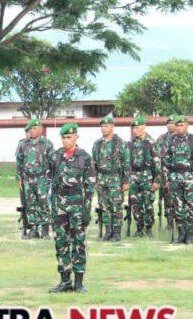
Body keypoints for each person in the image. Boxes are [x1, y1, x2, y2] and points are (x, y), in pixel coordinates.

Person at [48, 123, 95, 294]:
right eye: (63, 137)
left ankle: (79, 282)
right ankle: (65, 281)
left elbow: (90, 186)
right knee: (61, 242)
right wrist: (51, 205)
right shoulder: (55, 156)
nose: (66, 140)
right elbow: (49, 181)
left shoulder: (85, 157)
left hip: (77, 205)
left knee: (78, 242)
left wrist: (86, 210)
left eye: (69, 137)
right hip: (59, 204)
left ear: (76, 137)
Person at [162, 116, 193, 244]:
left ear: (187, 126)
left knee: (191, 206)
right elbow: (165, 160)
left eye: (181, 125)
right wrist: (166, 178)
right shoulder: (171, 140)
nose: (179, 128)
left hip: (189, 177)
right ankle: (181, 233)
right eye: (177, 126)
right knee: (177, 206)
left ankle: (190, 234)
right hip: (174, 177)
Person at [91, 115, 130, 242]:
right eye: (102, 126)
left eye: (106, 126)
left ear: (112, 127)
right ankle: (108, 231)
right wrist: (95, 180)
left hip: (115, 178)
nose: (103, 128)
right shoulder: (97, 144)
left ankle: (117, 232)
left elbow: (126, 162)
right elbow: (94, 163)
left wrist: (126, 181)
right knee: (104, 206)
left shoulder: (120, 142)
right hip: (101, 178)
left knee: (116, 206)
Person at [16, 118, 55, 239]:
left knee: (43, 204)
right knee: (30, 204)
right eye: (30, 129)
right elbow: (19, 161)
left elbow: (53, 162)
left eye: (34, 128)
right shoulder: (23, 144)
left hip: (42, 179)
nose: (31, 131)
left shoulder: (47, 143)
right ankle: (33, 229)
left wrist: (52, 179)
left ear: (40, 129)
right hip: (27, 179)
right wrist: (19, 177)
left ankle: (45, 231)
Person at [127, 116, 161, 236]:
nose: (135, 130)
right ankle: (139, 228)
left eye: (137, 127)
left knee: (148, 203)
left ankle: (149, 228)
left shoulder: (151, 142)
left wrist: (157, 181)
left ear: (144, 127)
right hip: (134, 176)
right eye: (134, 128)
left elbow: (157, 162)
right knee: (135, 203)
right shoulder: (130, 143)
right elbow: (127, 161)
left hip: (147, 176)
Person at [156, 115, 177, 228]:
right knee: (166, 198)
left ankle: (179, 220)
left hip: (176, 173)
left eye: (172, 123)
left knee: (177, 198)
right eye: (168, 123)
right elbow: (156, 155)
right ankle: (169, 221)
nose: (170, 125)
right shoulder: (161, 138)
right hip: (163, 174)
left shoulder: (180, 138)